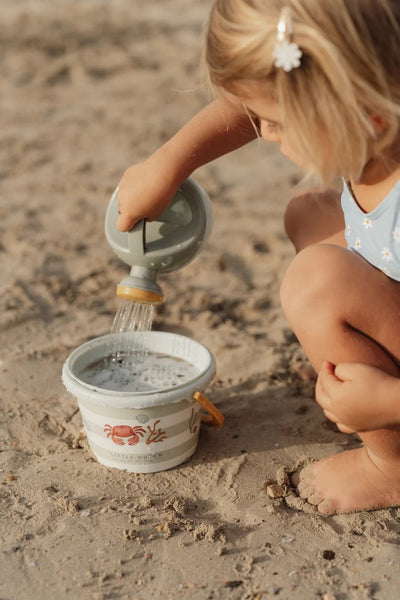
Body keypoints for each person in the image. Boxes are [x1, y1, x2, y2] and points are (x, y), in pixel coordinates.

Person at [116, 0, 400, 514]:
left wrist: (386, 402)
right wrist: (167, 165)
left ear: (369, 117)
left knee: (316, 282)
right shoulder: (372, 107)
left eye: (277, 124)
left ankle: (392, 467)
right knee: (308, 213)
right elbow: (248, 104)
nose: (264, 134)